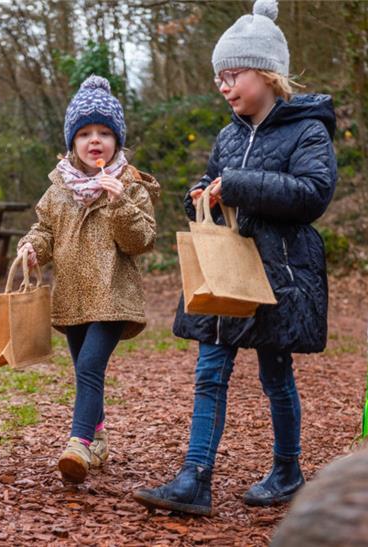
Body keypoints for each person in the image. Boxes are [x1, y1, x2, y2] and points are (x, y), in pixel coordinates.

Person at [133, 0, 337, 515]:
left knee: (275, 374)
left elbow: (313, 193)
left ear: (268, 74)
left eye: (233, 75)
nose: (224, 87)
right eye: (219, 78)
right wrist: (201, 195)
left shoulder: (307, 130)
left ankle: (288, 470)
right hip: (224, 270)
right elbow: (210, 182)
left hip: (279, 274)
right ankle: (194, 478)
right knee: (210, 370)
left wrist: (240, 185)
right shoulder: (227, 134)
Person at [18, 75, 160, 484]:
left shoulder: (130, 184)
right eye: (84, 133)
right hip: (73, 295)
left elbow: (141, 241)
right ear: (71, 142)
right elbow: (45, 230)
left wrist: (119, 204)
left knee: (93, 365)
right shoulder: (59, 188)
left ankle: (78, 442)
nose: (94, 140)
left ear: (117, 140)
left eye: (104, 132)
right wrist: (31, 248)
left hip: (113, 294)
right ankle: (98, 437)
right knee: (83, 368)